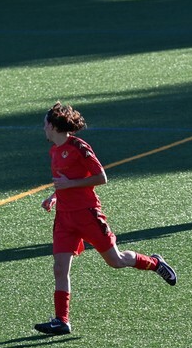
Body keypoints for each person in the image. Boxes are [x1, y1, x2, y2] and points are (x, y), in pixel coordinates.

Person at [34, 102, 177, 336]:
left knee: (116, 261)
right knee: (59, 268)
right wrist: (55, 197)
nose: (43, 129)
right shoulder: (54, 151)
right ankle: (62, 320)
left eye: (44, 124)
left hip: (88, 214)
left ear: (53, 126)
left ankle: (154, 263)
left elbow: (101, 177)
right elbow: (64, 181)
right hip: (64, 219)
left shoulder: (79, 147)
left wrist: (69, 185)